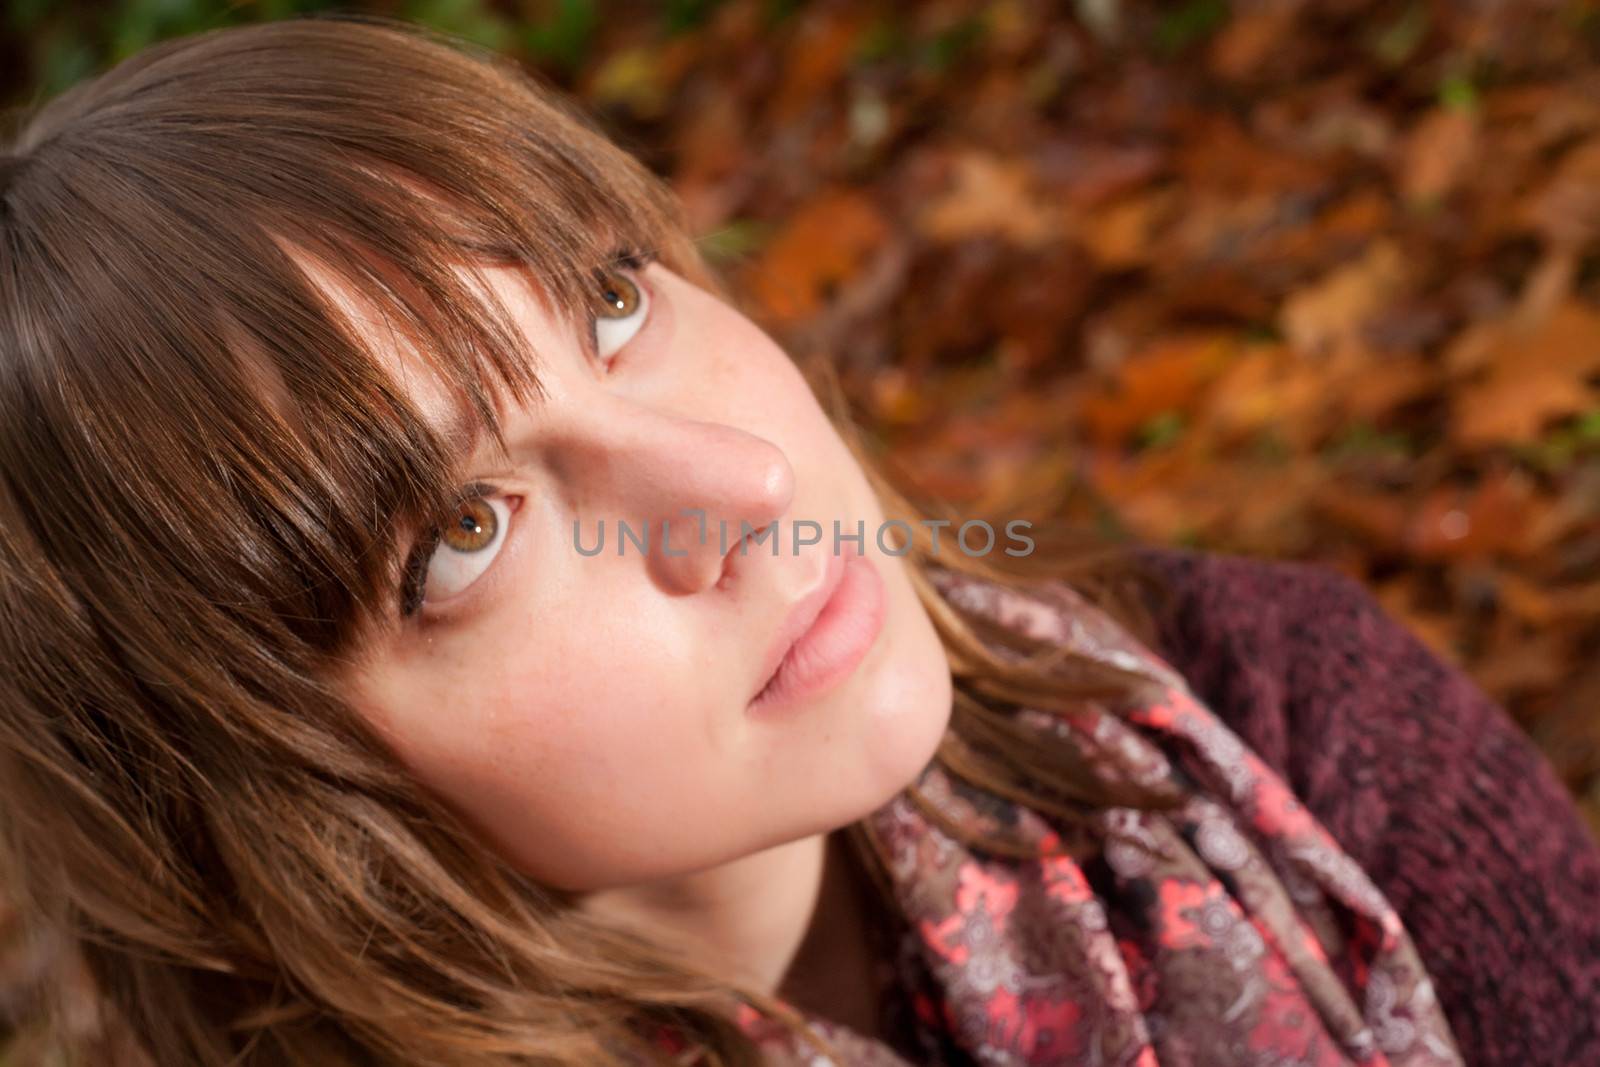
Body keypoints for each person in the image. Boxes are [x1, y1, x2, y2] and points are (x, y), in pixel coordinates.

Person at [0, 14, 1594, 1067]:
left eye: (613, 301)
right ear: (236, 795)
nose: (742, 483)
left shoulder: (1272, 702)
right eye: (466, 531)